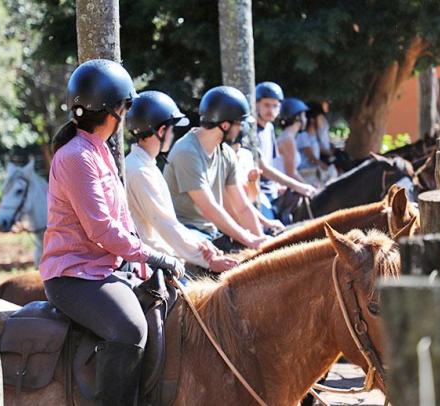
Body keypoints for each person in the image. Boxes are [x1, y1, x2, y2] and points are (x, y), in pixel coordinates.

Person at [39, 59, 184, 406]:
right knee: (130, 329)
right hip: (74, 276)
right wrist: (155, 255)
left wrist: (140, 260)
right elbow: (102, 228)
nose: (127, 114)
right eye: (125, 106)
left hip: (104, 269)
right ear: (111, 111)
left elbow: (121, 218)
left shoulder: (99, 150)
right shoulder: (76, 156)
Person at [125, 90, 238, 273]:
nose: (172, 135)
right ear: (162, 131)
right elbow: (165, 225)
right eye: (172, 129)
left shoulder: (144, 165)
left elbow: (170, 223)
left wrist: (201, 243)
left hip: (161, 255)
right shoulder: (139, 171)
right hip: (152, 265)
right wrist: (208, 260)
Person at [163, 85, 269, 251]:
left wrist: (261, 243)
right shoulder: (187, 152)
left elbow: (243, 207)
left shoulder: (225, 152)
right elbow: (209, 209)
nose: (241, 128)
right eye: (239, 123)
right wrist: (250, 240)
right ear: (225, 125)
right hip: (185, 232)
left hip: (211, 231)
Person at [255, 82, 316, 223]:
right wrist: (298, 185)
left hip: (273, 190)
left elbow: (272, 164)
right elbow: (263, 168)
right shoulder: (252, 131)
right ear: (257, 105)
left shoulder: (269, 128)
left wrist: (278, 185)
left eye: (275, 105)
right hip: (258, 193)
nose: (271, 110)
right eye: (266, 105)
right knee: (269, 232)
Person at [296, 102, 338, 187]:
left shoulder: (313, 136)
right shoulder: (303, 136)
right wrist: (323, 165)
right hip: (306, 170)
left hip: (313, 168)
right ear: (312, 121)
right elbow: (311, 157)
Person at [274, 97, 309, 182]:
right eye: (304, 115)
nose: (306, 119)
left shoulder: (286, 136)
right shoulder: (288, 140)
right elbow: (291, 174)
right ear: (297, 117)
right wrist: (310, 189)